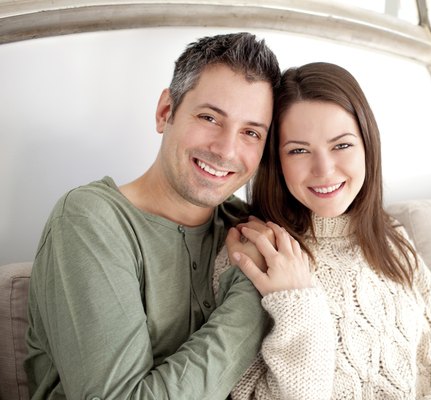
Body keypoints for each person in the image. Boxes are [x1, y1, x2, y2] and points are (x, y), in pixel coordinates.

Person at [218, 62, 431, 399]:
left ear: (367, 145)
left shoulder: (390, 237)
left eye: (342, 145)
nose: (324, 170)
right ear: (276, 161)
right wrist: (297, 303)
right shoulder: (256, 254)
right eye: (299, 150)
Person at [24, 32, 281, 399]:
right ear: (166, 112)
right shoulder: (90, 220)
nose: (226, 149)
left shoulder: (249, 229)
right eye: (210, 117)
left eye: (251, 132)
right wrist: (252, 292)